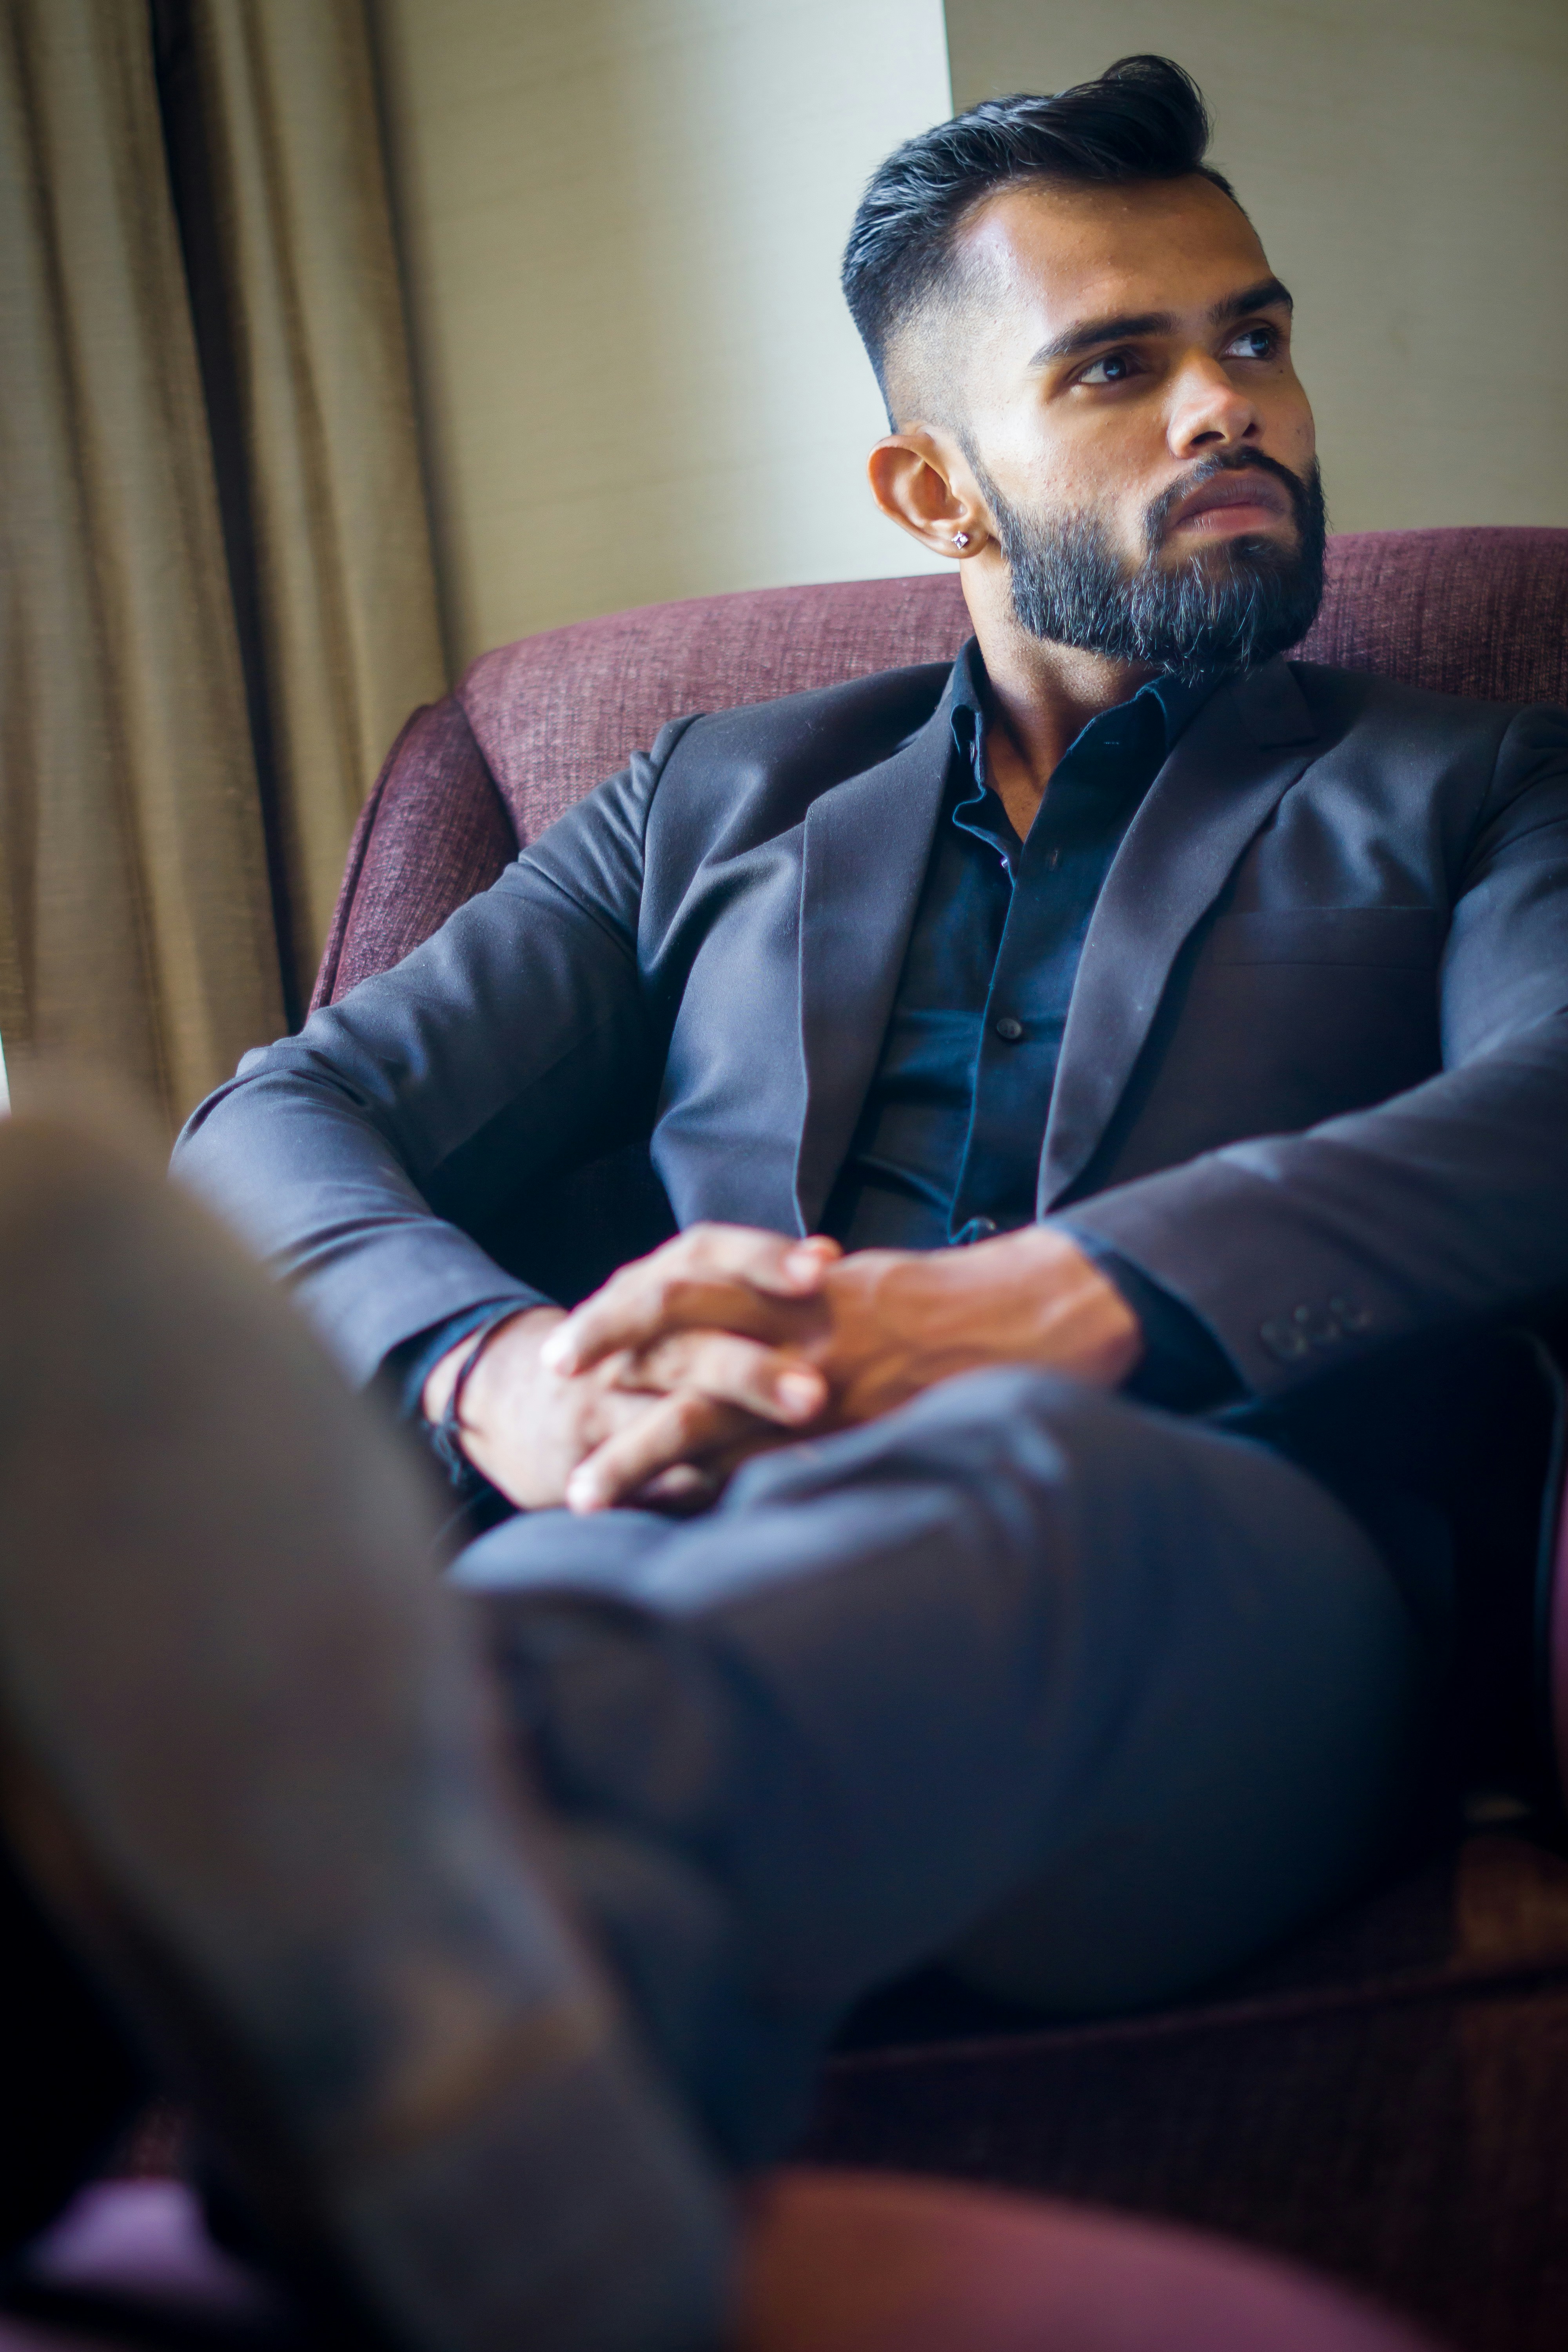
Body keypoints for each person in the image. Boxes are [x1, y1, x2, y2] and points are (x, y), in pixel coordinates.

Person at [4, 52, 1565, 2352]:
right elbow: (284, 1113)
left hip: (1226, 1602)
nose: (1230, 404)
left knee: (1011, 1481)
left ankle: (292, 1851)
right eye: (1118, 365)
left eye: (1254, 336)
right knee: (534, 1574)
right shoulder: (711, 798)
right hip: (665, 1537)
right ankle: (472, 2110)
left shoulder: (1477, 778)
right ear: (932, 483)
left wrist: (1057, 1301)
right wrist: (498, 1378)